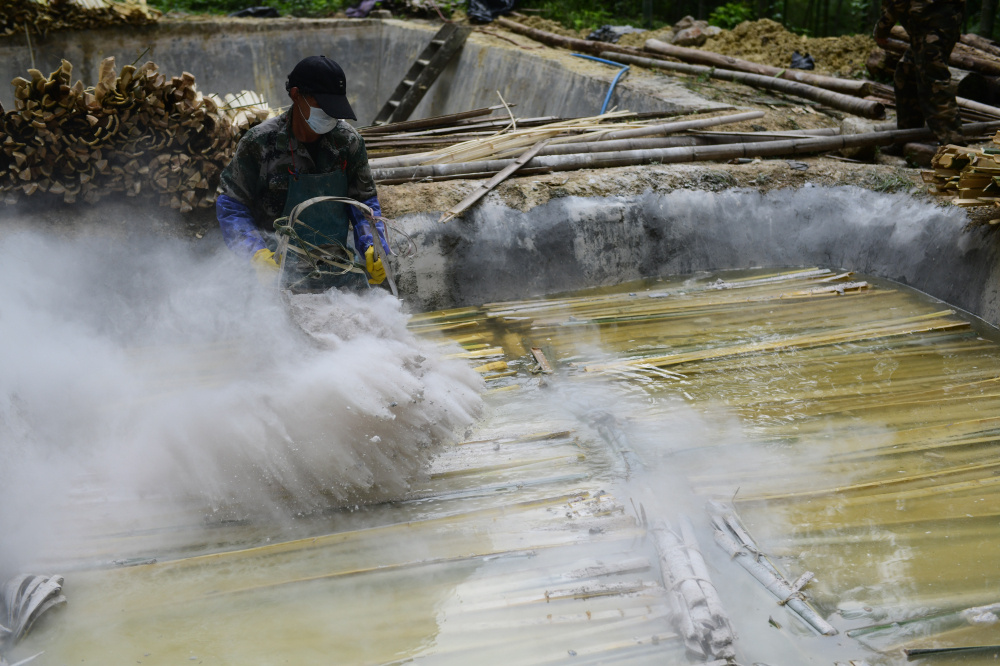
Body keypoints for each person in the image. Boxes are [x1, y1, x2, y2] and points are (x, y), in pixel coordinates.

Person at [216, 55, 390, 290]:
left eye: (334, 108)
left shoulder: (348, 142)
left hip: (335, 272)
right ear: (296, 95)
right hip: (274, 277)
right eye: (322, 105)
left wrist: (373, 245)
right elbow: (232, 206)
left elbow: (364, 202)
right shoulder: (259, 143)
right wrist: (254, 253)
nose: (330, 115)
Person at [873, 0, 966, 146]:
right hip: (932, 25)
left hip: (933, 28)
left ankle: (955, 147)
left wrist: (881, 29)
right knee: (906, 72)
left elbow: (898, 3)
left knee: (934, 85)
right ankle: (907, 139)